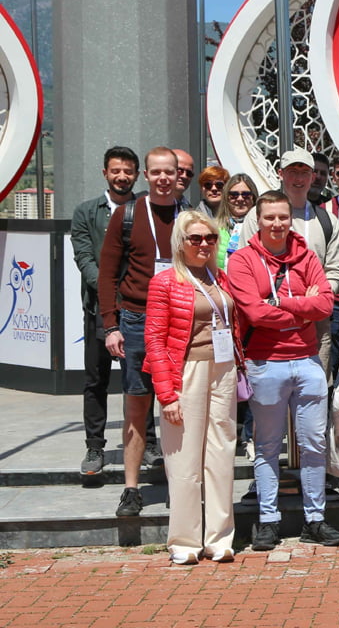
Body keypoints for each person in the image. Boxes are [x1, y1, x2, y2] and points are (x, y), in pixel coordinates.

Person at [228, 190, 339, 550]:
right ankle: (268, 521)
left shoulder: (307, 256)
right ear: (258, 221)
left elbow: (325, 304)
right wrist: (301, 306)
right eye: (270, 218)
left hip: (308, 360)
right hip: (265, 363)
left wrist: (280, 303)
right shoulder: (243, 261)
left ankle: (315, 519)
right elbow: (253, 313)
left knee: (313, 445)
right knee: (266, 446)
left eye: (283, 217)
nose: (277, 224)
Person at [143, 210, 239, 564]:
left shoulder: (221, 279)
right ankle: (184, 541)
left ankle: (219, 537)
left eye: (210, 239)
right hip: (186, 370)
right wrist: (167, 394)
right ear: (180, 244)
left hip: (223, 370)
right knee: (183, 457)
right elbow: (153, 340)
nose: (203, 245)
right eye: (195, 239)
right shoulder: (165, 282)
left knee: (221, 452)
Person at [97, 146, 182, 517]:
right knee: (136, 403)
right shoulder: (126, 215)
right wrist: (110, 325)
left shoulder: (190, 216)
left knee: (180, 405)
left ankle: (181, 482)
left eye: (170, 172)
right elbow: (107, 275)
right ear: (146, 176)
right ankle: (131, 489)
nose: (163, 179)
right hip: (136, 320)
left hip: (179, 321)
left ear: (178, 175)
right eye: (156, 172)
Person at [71, 146, 161, 479]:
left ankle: (149, 443)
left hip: (140, 311)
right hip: (101, 308)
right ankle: (95, 446)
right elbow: (85, 260)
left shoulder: (146, 209)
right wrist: (114, 292)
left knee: (142, 378)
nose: (122, 176)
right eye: (115, 171)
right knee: (96, 379)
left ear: (138, 174)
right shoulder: (86, 212)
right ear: (105, 173)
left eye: (128, 171)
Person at [242, 149, 339, 379]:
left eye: (304, 172)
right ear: (280, 174)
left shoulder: (327, 221)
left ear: (313, 177)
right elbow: (247, 263)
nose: (298, 179)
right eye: (292, 172)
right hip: (268, 328)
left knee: (312, 399)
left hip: (315, 328)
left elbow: (336, 271)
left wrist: (315, 299)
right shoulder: (257, 216)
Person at [215, 173, 258, 268]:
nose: (240, 199)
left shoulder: (261, 228)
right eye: (234, 195)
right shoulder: (213, 228)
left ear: (253, 198)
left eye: (246, 195)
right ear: (226, 198)